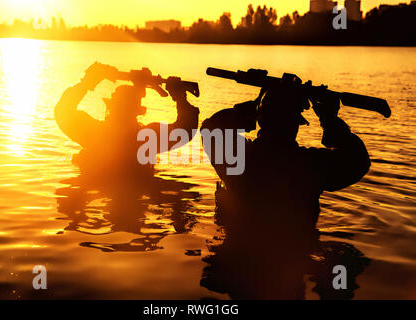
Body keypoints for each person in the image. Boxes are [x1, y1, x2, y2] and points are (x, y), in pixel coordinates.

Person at [199, 79, 371, 299]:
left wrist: (254, 105)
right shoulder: (310, 165)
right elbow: (357, 161)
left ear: (262, 120)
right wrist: (329, 119)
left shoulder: (240, 159)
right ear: (297, 124)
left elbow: (210, 129)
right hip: (291, 264)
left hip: (243, 265)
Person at [55, 62, 199, 177]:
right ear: (138, 111)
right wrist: (179, 97)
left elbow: (63, 111)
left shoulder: (94, 133)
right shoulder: (146, 140)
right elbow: (185, 129)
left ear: (110, 107)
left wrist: (86, 83)